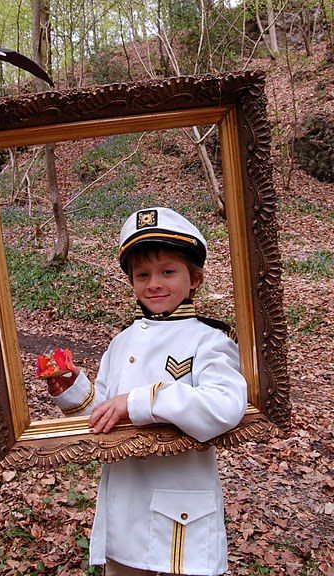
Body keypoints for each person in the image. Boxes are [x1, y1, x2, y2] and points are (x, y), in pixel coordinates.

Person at [47, 207, 247, 576]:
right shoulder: (121, 342)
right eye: (142, 275)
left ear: (195, 278)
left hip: (180, 517)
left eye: (168, 271)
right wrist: (73, 390)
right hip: (123, 511)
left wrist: (141, 401)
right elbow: (102, 410)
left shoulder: (210, 340)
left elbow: (224, 406)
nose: (154, 283)